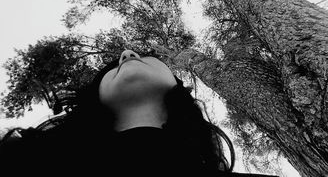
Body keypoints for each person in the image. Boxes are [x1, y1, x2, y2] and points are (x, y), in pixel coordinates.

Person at [0, 49, 278, 177]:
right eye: (110, 68)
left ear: (178, 88)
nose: (127, 54)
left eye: (147, 57)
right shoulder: (19, 163)